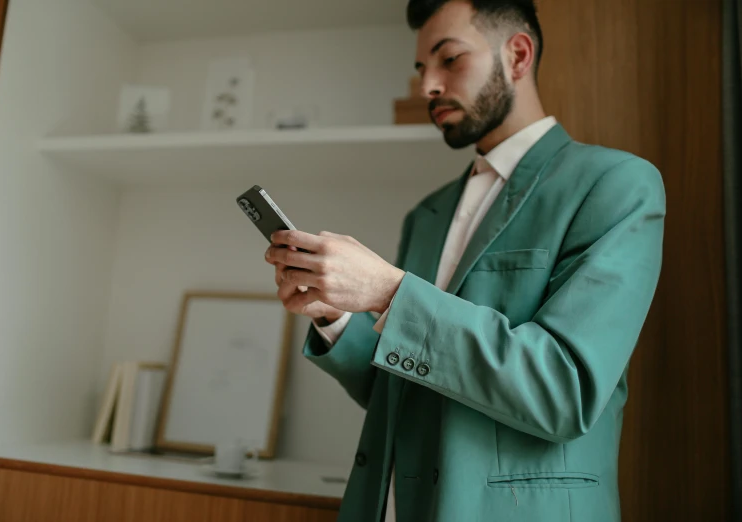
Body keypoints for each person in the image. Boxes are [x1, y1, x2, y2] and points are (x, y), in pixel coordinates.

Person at [264, 0, 665, 520]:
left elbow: (565, 389)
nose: (428, 85)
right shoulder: (426, 215)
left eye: (448, 60)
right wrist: (336, 315)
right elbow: (410, 391)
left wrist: (388, 292)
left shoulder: (615, 185)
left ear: (517, 56)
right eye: (420, 69)